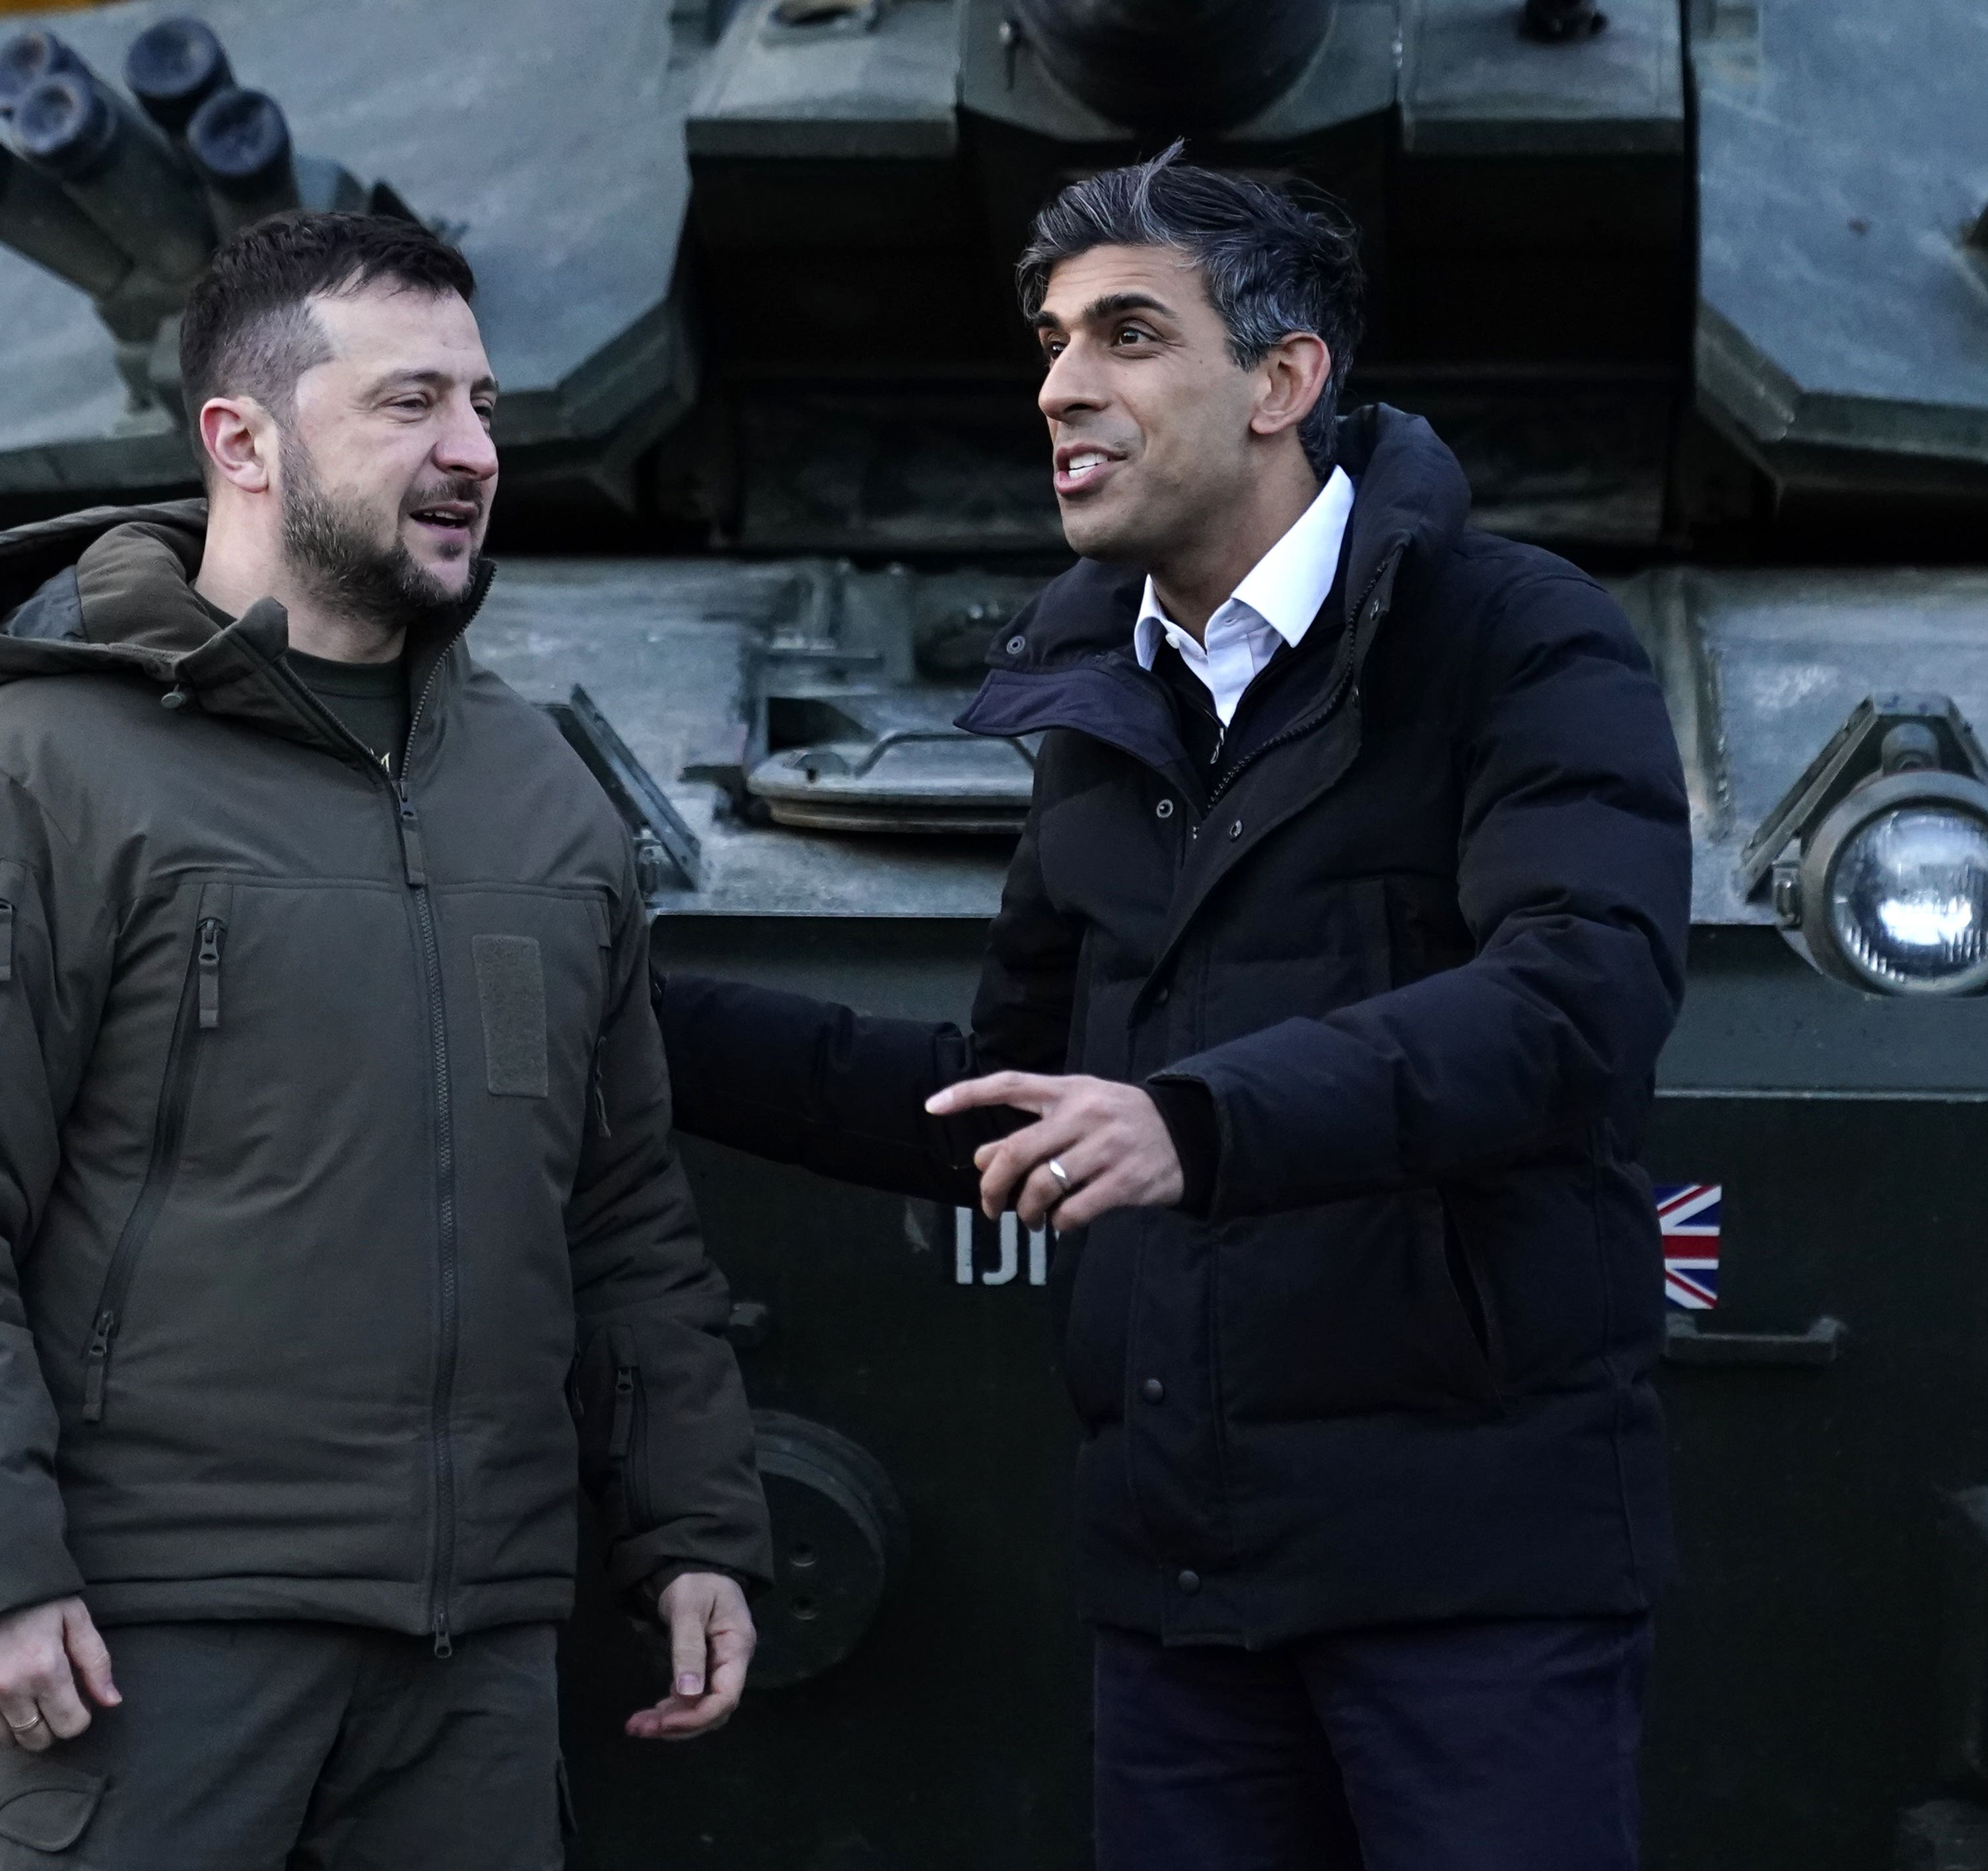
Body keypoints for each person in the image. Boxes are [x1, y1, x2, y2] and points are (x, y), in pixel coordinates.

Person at [659, 150, 1690, 1871]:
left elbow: (1575, 1004)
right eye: (1053, 341)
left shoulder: (1511, 642)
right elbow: (1009, 1095)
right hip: (1183, 1583)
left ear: (1285, 380)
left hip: (1468, 1575)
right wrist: (630, 1020)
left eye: (1128, 335)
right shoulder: (1103, 708)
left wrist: (1191, 1120)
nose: (1061, 386)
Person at [0, 212, 770, 1871]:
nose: (471, 451)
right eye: (408, 405)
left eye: (481, 403)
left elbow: (615, 1214)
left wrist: (691, 1527)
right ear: (237, 439)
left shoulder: (540, 799)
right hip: (143, 1647)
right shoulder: (21, 771)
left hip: (472, 1670)